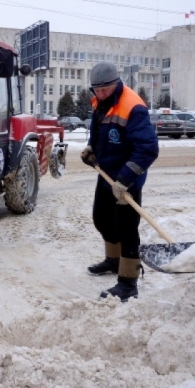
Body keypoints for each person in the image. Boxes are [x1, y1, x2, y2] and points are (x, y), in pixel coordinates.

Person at [80, 61, 159, 302]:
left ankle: (128, 281)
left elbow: (148, 149)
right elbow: (98, 129)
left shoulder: (133, 107)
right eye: (96, 90)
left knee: (126, 229)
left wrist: (125, 180)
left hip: (127, 179)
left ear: (115, 85)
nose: (100, 95)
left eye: (104, 90)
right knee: (102, 219)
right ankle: (113, 261)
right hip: (106, 173)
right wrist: (92, 148)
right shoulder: (99, 101)